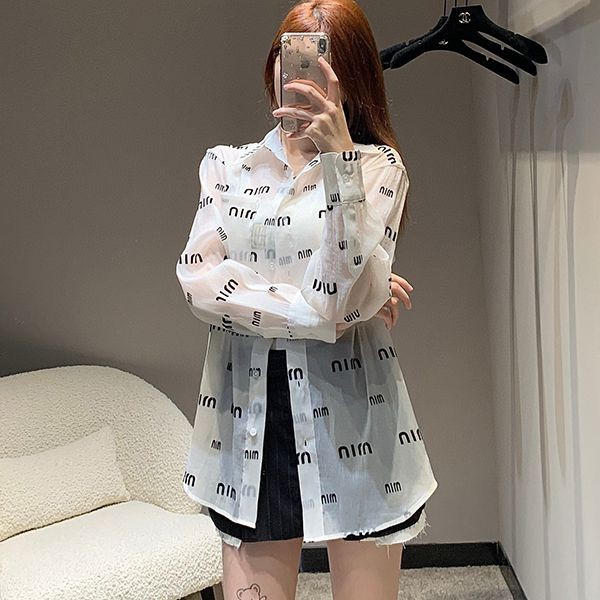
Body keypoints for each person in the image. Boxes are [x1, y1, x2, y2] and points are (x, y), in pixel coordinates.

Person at [175, 1, 438, 598]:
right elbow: (200, 282)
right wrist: (323, 312)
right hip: (249, 416)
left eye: (324, 60)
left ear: (351, 77)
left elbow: (342, 299)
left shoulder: (376, 168)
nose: (301, 74)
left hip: (355, 411)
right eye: (291, 54)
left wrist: (341, 164)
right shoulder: (227, 166)